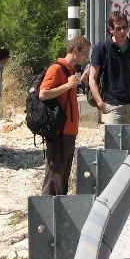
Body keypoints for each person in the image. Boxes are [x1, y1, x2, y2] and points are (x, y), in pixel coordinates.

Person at [39, 35, 91, 195]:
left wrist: (79, 82)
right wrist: (67, 85)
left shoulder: (70, 69)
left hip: (68, 131)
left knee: (62, 177)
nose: (86, 57)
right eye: (85, 53)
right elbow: (43, 93)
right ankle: (47, 214)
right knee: (54, 177)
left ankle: (59, 213)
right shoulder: (56, 68)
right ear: (76, 50)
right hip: (59, 131)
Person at [89, 11, 130, 126]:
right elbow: (92, 77)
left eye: (125, 27)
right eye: (118, 28)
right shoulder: (102, 48)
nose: (122, 31)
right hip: (111, 106)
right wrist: (100, 102)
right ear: (111, 30)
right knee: (114, 143)